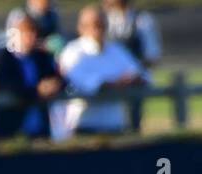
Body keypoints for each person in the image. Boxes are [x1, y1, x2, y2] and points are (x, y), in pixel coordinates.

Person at [58, 3, 145, 135]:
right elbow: (89, 83)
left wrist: (127, 81)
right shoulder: (72, 52)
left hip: (115, 125)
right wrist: (119, 82)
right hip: (83, 126)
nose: (98, 30)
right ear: (81, 28)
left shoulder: (116, 50)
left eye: (101, 25)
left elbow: (141, 75)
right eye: (93, 25)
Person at [0, 12, 62, 139]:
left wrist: (54, 85)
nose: (30, 37)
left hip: (39, 128)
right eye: (26, 32)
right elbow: (6, 87)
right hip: (10, 126)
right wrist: (37, 90)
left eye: (33, 32)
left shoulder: (41, 58)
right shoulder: (4, 58)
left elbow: (57, 78)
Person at [103, 0, 160, 130]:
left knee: (133, 118)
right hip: (112, 80)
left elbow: (152, 55)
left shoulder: (142, 20)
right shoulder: (106, 20)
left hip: (136, 80)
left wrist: (132, 74)